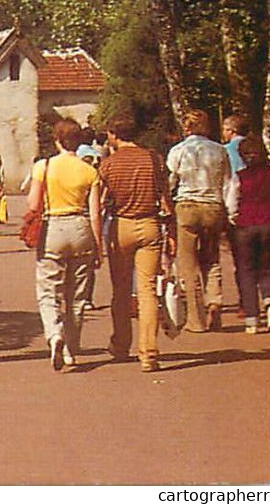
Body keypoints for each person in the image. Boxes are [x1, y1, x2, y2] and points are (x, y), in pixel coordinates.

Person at [96, 114, 170, 371]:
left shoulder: (108, 164)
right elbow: (165, 197)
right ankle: (148, 352)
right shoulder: (154, 159)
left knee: (121, 290)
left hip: (120, 226)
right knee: (148, 291)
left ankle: (120, 343)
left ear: (114, 135)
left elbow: (102, 198)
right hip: (149, 225)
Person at [29, 118, 101, 370]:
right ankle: (71, 348)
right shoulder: (89, 171)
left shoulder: (43, 167)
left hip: (52, 229)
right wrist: (98, 246)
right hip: (80, 227)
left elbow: (32, 204)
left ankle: (54, 334)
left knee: (49, 290)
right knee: (77, 295)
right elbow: (95, 213)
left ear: (57, 140)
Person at [166, 108, 231, 333]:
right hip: (213, 205)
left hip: (187, 206)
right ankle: (215, 301)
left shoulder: (179, 150)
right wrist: (228, 211)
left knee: (188, 263)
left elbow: (171, 180)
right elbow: (228, 182)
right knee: (212, 258)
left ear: (187, 127)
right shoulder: (220, 150)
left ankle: (196, 318)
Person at [224, 136, 270, 334]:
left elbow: (232, 202)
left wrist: (233, 219)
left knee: (246, 270)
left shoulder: (240, 176)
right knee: (266, 268)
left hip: (245, 226)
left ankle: (252, 318)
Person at [76, 139, 104, 308]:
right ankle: (86, 298)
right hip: (87, 221)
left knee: (72, 263)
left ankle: (75, 296)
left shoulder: (73, 177)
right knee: (88, 264)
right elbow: (96, 211)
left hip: (72, 219)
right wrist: (99, 241)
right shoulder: (93, 178)